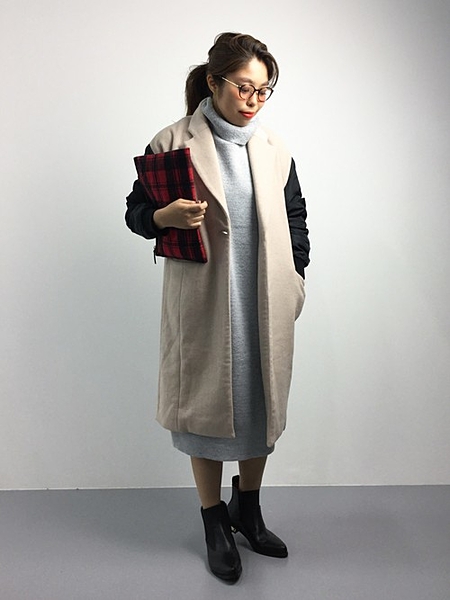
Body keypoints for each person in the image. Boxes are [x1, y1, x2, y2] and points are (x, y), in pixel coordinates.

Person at [125, 32, 310, 583]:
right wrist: (163, 218)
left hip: (265, 300)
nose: (254, 100)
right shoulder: (172, 142)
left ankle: (247, 511)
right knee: (203, 411)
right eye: (243, 87)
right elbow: (136, 213)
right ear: (213, 81)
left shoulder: (275, 148)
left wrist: (296, 278)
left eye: (264, 89)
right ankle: (214, 522)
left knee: (260, 408)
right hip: (205, 303)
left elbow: (296, 218)